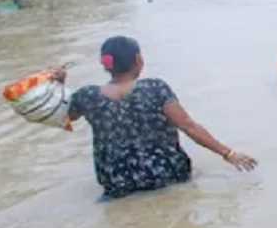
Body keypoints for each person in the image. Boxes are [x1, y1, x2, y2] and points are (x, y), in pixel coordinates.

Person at [52, 36, 256, 199]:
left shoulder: (87, 96)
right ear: (139, 60)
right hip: (167, 176)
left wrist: (59, 85)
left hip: (118, 184)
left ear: (106, 65)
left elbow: (61, 117)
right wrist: (227, 153)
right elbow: (188, 126)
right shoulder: (155, 88)